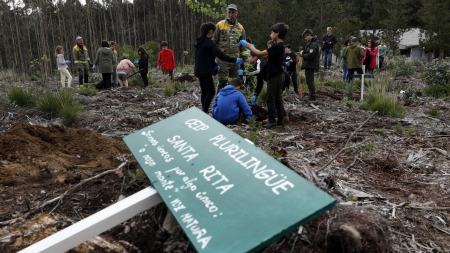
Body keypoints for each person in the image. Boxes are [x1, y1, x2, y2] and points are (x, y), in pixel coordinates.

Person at [239, 23, 288, 128]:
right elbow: (264, 55)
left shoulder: (277, 46)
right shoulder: (280, 47)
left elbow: (260, 53)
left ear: (277, 33)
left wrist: (248, 45)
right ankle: (280, 119)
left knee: (270, 98)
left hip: (274, 76)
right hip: (279, 75)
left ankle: (271, 120)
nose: (270, 34)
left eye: (272, 32)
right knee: (278, 97)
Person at [194, 22, 243, 113]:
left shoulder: (199, 42)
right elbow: (220, 55)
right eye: (214, 32)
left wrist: (214, 66)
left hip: (199, 70)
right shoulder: (210, 43)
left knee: (204, 91)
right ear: (211, 31)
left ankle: (203, 110)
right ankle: (204, 111)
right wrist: (234, 60)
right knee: (211, 91)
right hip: (205, 72)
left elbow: (204, 58)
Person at [214, 4, 249, 93]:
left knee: (236, 82)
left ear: (236, 13)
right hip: (223, 59)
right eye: (229, 12)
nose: (230, 15)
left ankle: (233, 102)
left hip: (236, 60)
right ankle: (220, 102)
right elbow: (214, 42)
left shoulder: (240, 28)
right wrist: (213, 59)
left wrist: (245, 62)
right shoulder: (220, 25)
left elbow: (243, 46)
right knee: (223, 82)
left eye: (233, 12)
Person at [298, 29, 320, 101]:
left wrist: (302, 56)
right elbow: (307, 50)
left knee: (310, 81)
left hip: (310, 65)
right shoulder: (310, 44)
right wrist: (303, 51)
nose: (305, 38)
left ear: (310, 35)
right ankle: (312, 95)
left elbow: (311, 55)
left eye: (306, 37)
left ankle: (312, 96)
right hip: (309, 64)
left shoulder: (313, 45)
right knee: (309, 80)